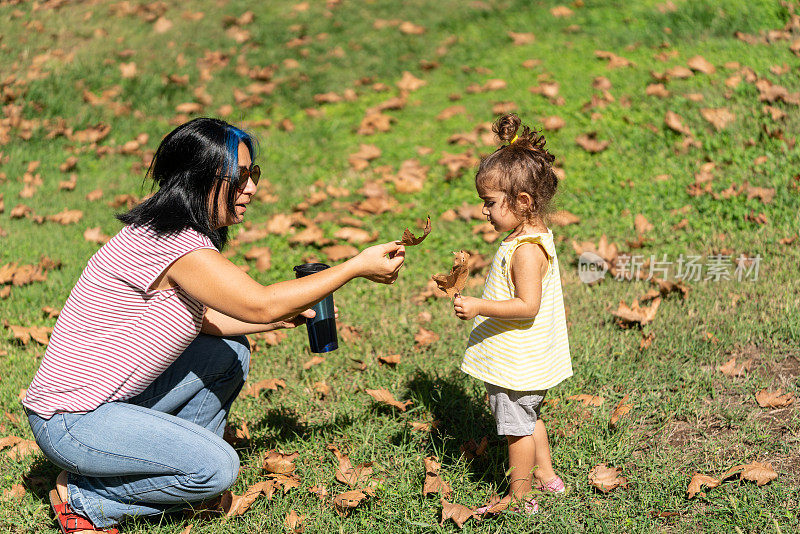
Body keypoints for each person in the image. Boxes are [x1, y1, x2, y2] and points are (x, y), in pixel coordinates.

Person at [22, 117, 405, 533]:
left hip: (102, 407)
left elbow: (204, 319)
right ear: (200, 179)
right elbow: (259, 303)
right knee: (218, 470)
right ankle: (85, 497)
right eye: (240, 177)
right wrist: (355, 266)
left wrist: (277, 322)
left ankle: (170, 474)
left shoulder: (163, 231)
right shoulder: (178, 245)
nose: (253, 187)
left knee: (230, 352)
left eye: (253, 173)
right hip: (72, 421)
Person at [453, 114, 572, 514]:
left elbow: (527, 306)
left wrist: (477, 306)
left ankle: (520, 497)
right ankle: (547, 474)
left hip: (517, 361)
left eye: (489, 203)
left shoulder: (524, 250)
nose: (484, 211)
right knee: (529, 416)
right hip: (526, 358)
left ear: (522, 202)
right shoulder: (531, 237)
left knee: (515, 430)